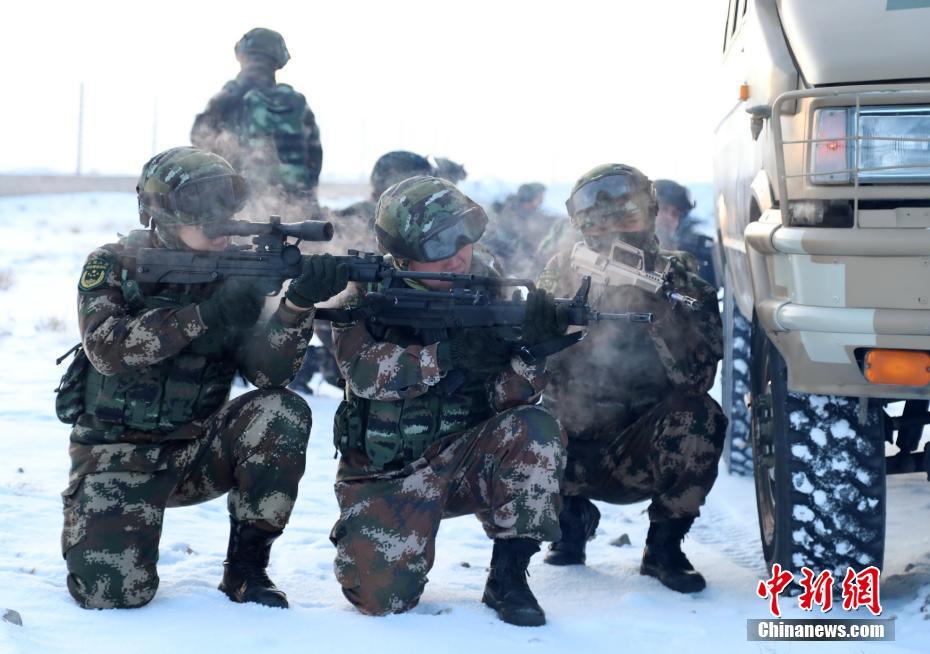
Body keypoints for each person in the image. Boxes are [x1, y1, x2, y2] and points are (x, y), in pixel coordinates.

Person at [59, 146, 349, 610]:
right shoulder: (116, 264)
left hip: (197, 451)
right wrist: (205, 314)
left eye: (225, 205)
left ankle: (246, 569)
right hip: (116, 456)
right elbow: (107, 349)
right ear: (161, 212)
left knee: (281, 410)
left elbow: (268, 374)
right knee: (111, 595)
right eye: (202, 209)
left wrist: (296, 307)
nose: (220, 222)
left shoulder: (239, 271)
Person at [329, 175, 567, 626]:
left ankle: (509, 575)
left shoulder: (489, 284)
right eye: (438, 246)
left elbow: (511, 400)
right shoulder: (366, 291)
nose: (458, 256)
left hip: (465, 461)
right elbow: (363, 374)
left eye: (464, 237)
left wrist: (531, 353)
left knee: (535, 428)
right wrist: (449, 355)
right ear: (403, 257)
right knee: (381, 599)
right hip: (388, 474)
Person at [536, 164, 727, 593]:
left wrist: (659, 311)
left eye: (627, 220)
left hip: (639, 449)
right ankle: (569, 523)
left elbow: (697, 379)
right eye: (600, 225)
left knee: (701, 416)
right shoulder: (563, 271)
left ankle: (664, 548)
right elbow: (528, 358)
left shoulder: (682, 284)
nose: (614, 234)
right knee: (518, 426)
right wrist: (566, 320)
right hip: (570, 445)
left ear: (650, 216)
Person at [191, 28, 322, 209]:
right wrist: (305, 198)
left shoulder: (227, 98)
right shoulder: (296, 102)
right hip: (296, 206)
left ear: (242, 55)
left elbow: (200, 144)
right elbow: (315, 156)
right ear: (279, 60)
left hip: (243, 207)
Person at [484, 183, 557, 277]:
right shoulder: (508, 214)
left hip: (511, 256)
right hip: (496, 256)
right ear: (528, 197)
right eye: (539, 198)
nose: (541, 202)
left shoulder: (526, 213)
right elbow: (509, 243)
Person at [654, 179, 717, 287]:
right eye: (664, 209)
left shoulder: (681, 255)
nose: (669, 217)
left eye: (675, 214)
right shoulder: (628, 242)